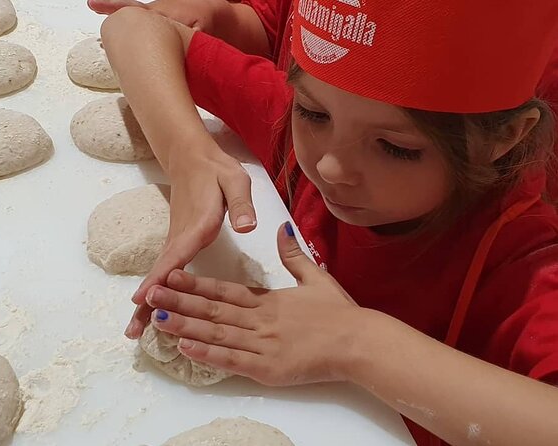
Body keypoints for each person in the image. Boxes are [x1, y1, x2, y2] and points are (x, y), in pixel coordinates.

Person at [100, 1, 558, 445]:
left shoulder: (524, 266)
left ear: (503, 137)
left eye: (396, 147)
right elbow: (133, 27)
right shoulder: (296, 131)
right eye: (313, 113)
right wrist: (188, 157)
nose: (331, 168)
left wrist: (358, 343)